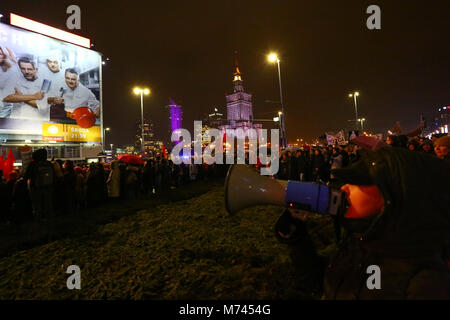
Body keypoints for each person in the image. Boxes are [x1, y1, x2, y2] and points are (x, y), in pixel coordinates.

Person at [276, 142, 450, 299]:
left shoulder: (426, 282)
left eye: (357, 183)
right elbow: (324, 286)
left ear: (393, 196)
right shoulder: (361, 244)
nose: (344, 188)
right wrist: (298, 241)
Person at [24, 148, 56, 220]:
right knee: (48, 204)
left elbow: (26, 176)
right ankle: (50, 220)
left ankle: (38, 220)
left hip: (36, 188)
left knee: (37, 205)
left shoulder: (33, 164)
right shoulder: (48, 163)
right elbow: (54, 176)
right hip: (48, 187)